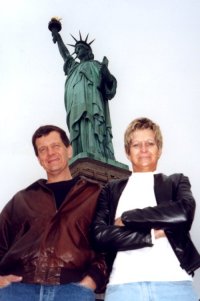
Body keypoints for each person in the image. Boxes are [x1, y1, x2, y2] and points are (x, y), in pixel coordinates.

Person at [91, 117, 200, 301]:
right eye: (136, 145)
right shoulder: (111, 189)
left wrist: (127, 218)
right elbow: (99, 236)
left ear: (159, 149)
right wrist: (152, 234)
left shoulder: (176, 181)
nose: (143, 150)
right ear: (127, 152)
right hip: (123, 286)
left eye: (149, 143)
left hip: (174, 284)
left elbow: (183, 213)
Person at [0, 125, 107, 301]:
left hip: (72, 290)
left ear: (69, 150)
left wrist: (93, 279)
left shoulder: (95, 194)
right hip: (18, 290)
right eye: (43, 149)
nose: (50, 153)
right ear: (39, 159)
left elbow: (108, 242)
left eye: (56, 146)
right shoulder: (21, 199)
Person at [49, 21, 117, 160]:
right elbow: (65, 54)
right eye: (76, 49)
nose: (77, 50)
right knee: (77, 128)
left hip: (92, 102)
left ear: (88, 51)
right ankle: (78, 152)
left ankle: (96, 153)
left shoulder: (96, 65)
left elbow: (109, 85)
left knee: (91, 124)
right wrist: (58, 36)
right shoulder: (73, 67)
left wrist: (106, 72)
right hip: (75, 105)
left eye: (80, 48)